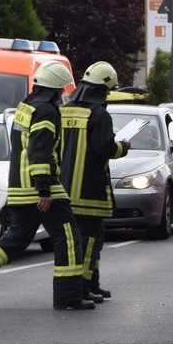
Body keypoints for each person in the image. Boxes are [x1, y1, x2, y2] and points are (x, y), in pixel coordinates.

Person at [0, 61, 94, 310]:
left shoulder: (25, 107)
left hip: (20, 188)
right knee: (68, 238)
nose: (63, 95)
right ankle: (68, 297)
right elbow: (39, 152)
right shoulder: (46, 112)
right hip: (41, 188)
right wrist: (44, 189)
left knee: (17, 239)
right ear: (55, 90)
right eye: (61, 91)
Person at [58, 61, 129, 304]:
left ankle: (93, 285)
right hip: (89, 192)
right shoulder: (100, 114)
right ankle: (84, 287)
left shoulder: (65, 110)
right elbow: (104, 148)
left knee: (80, 241)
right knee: (91, 242)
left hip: (64, 190)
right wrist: (123, 147)